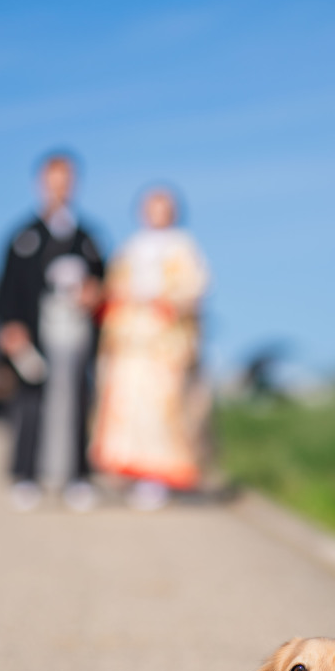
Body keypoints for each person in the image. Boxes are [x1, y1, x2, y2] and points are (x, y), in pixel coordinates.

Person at [0, 151, 105, 511]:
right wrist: (10, 328)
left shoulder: (87, 239)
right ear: (40, 183)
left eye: (66, 180)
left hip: (74, 337)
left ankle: (77, 476)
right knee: (30, 403)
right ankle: (26, 475)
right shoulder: (22, 237)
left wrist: (93, 293)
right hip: (35, 335)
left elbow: (103, 283)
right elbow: (5, 289)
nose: (60, 188)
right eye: (53, 180)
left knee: (76, 402)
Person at [90, 187, 209, 509]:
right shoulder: (130, 249)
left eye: (163, 207)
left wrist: (162, 300)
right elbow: (113, 289)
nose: (157, 213)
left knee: (160, 412)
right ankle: (130, 471)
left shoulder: (183, 247)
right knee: (127, 410)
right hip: (131, 340)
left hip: (162, 341)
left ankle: (157, 476)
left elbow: (193, 289)